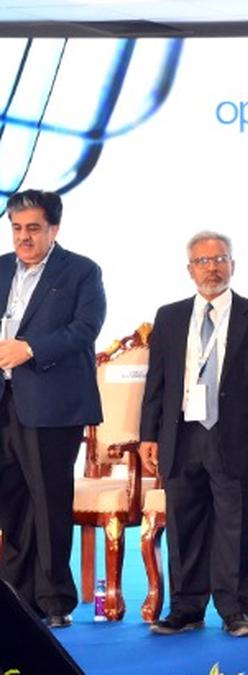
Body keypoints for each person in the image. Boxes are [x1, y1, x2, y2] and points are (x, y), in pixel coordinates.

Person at [138, 232, 248, 637]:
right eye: (202, 261)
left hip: (236, 435)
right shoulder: (169, 317)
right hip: (181, 433)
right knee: (183, 524)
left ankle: (234, 610)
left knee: (235, 524)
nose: (212, 268)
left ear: (233, 265)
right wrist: (148, 434)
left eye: (220, 259)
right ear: (190, 270)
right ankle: (185, 608)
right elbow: (157, 382)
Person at [0, 189, 105, 628]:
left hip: (51, 404)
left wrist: (29, 348)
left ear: (54, 229)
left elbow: (85, 328)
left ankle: (55, 600)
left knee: (48, 502)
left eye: (33, 228)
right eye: (16, 228)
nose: (23, 237)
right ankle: (16, 596)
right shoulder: (1, 268)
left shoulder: (81, 271)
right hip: (4, 402)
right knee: (10, 503)